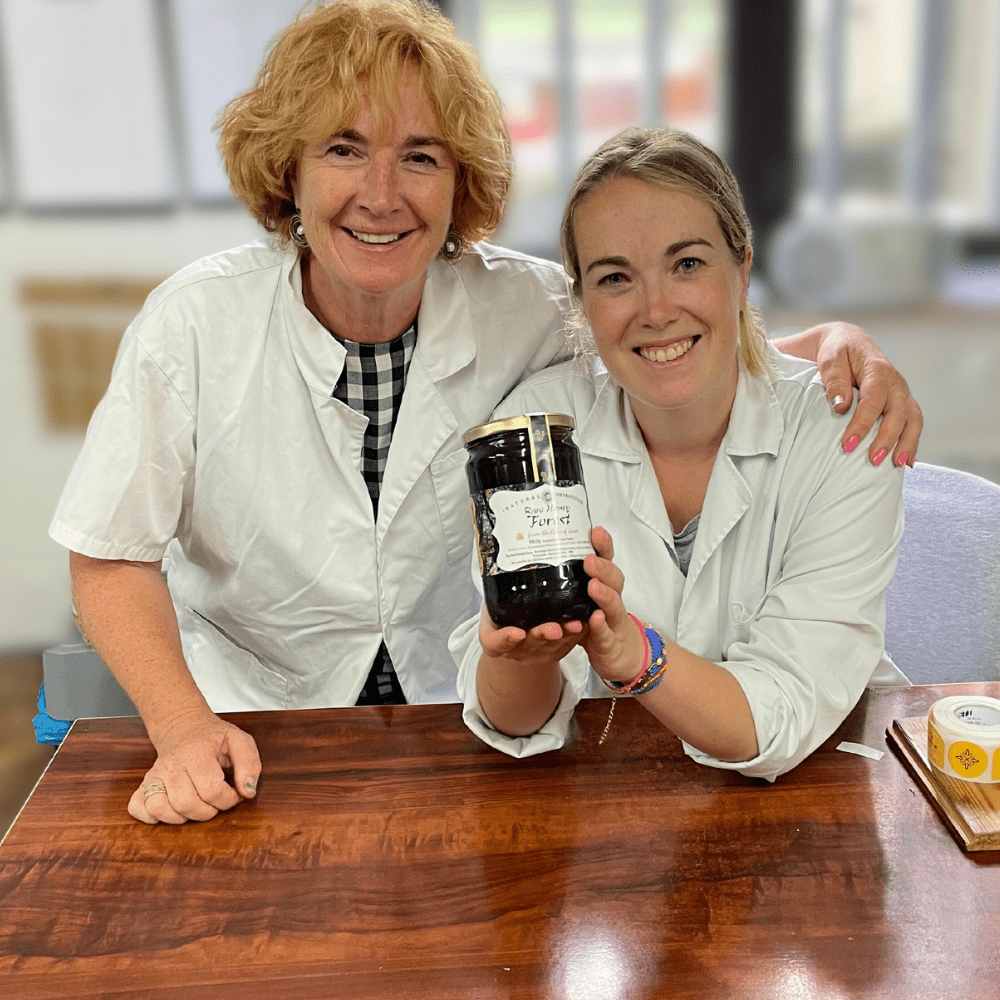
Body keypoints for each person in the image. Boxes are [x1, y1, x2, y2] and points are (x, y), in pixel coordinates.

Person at [49, 0, 919, 824]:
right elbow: (110, 556)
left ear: (460, 180)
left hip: (468, 730)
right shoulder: (193, 326)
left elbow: (657, 332)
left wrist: (838, 344)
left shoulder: (525, 306)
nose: (382, 194)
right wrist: (182, 728)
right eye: (345, 150)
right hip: (268, 725)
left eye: (421, 156)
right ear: (288, 168)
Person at [453, 126, 909, 780]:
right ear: (581, 301)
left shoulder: (846, 428)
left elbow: (783, 712)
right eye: (615, 277)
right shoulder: (535, 438)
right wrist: (518, 655)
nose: (656, 309)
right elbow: (518, 723)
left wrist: (634, 655)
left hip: (827, 782)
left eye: (688, 264)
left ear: (743, 269)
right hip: (626, 797)